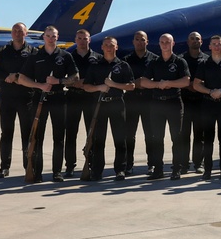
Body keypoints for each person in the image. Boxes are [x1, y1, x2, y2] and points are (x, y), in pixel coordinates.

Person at [17, 26, 79, 182]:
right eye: (48, 36)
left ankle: (57, 172)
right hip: (39, 99)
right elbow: (22, 79)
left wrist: (59, 81)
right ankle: (36, 172)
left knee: (59, 137)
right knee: (37, 137)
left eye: (54, 36)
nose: (51, 39)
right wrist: (40, 85)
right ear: (43, 37)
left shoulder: (65, 56)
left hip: (58, 98)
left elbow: (75, 77)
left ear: (57, 37)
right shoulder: (35, 56)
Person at [82, 37, 136, 181]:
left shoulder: (123, 65)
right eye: (106, 45)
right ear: (102, 47)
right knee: (98, 139)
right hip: (100, 105)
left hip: (117, 104)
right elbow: (86, 86)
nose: (109, 48)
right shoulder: (95, 65)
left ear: (116, 47)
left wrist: (113, 84)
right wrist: (99, 87)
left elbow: (131, 86)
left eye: (111, 45)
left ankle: (120, 169)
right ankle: (97, 170)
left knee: (120, 138)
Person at [139, 34, 190, 180]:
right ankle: (158, 170)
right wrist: (158, 85)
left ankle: (176, 169)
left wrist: (168, 83)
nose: (165, 44)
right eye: (162, 42)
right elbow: (143, 82)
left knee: (177, 137)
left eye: (168, 42)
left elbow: (186, 81)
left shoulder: (180, 62)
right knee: (157, 138)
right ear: (159, 44)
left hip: (174, 103)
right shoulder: (154, 62)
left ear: (173, 43)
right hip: (157, 104)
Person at [0, 22, 36, 179]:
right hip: (6, 98)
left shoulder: (33, 52)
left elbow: (37, 72)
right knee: (6, 132)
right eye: (15, 31)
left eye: (20, 31)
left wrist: (17, 76)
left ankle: (28, 165)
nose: (17, 33)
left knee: (27, 133)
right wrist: (6, 77)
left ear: (26, 33)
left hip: (26, 98)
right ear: (11, 33)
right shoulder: (2, 51)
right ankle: (4, 167)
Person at [192, 35, 221, 180]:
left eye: (219, 44)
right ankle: (207, 170)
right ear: (209, 46)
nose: (217, 47)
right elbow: (196, 84)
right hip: (208, 104)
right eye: (214, 44)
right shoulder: (204, 63)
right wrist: (210, 92)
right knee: (208, 139)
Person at [65, 29, 101, 178]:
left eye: (85, 38)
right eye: (79, 38)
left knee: (92, 132)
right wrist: (72, 83)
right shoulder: (68, 57)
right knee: (70, 132)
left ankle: (91, 163)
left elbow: (101, 77)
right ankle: (70, 166)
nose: (82, 41)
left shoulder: (97, 58)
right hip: (73, 97)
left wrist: (85, 82)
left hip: (91, 98)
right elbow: (61, 77)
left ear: (89, 40)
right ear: (75, 39)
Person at [122, 30, 159, 176]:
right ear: (133, 42)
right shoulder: (126, 60)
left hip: (149, 101)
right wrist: (138, 83)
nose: (139, 42)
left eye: (142, 39)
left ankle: (152, 164)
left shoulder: (154, 59)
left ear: (147, 42)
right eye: (137, 39)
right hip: (131, 100)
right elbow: (123, 81)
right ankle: (128, 164)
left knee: (151, 134)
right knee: (129, 135)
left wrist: (147, 83)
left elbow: (157, 80)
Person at [179, 32, 208, 175]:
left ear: (201, 42)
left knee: (199, 135)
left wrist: (198, 86)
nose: (195, 41)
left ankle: (198, 163)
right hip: (184, 102)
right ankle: (183, 164)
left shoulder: (207, 60)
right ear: (187, 42)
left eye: (197, 39)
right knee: (183, 135)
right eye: (192, 39)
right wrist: (189, 85)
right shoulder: (180, 59)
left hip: (201, 102)